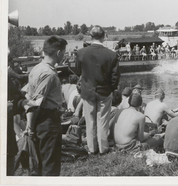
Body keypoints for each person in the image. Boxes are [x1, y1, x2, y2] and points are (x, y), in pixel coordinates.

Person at [19, 36, 68, 176]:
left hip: (40, 121)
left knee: (39, 162)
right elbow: (35, 104)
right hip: (48, 122)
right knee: (50, 164)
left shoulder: (36, 68)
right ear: (58, 53)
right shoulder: (49, 74)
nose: (63, 55)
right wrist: (30, 127)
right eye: (63, 52)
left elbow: (27, 94)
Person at [76, 25, 120, 155]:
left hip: (87, 91)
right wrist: (111, 89)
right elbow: (115, 76)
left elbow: (78, 70)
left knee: (90, 120)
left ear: (90, 36)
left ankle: (91, 148)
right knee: (103, 120)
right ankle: (103, 148)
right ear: (104, 36)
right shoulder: (111, 54)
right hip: (104, 91)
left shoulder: (81, 52)